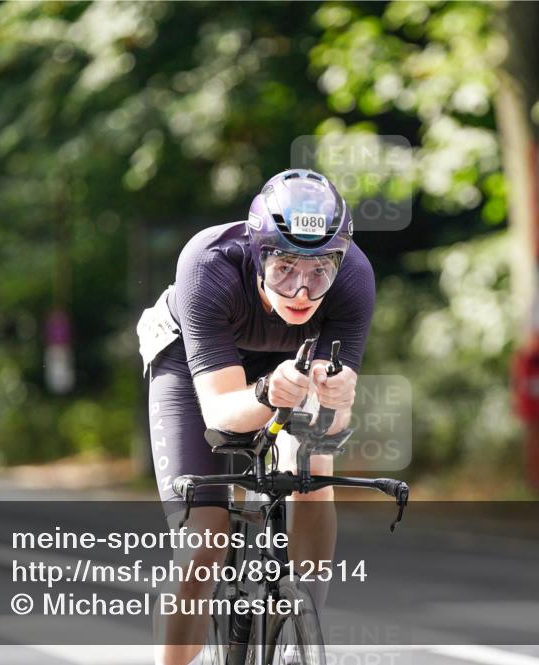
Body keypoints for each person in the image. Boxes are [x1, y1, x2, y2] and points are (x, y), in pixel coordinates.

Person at [137, 168, 375, 665]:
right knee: (205, 539)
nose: (303, 290)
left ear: (340, 259)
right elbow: (222, 414)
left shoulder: (354, 278)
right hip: (193, 363)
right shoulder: (207, 264)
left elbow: (329, 428)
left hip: (290, 365)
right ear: (258, 253)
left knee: (314, 469)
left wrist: (338, 399)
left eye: (319, 270)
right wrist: (267, 392)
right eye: (284, 267)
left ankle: (300, 624)